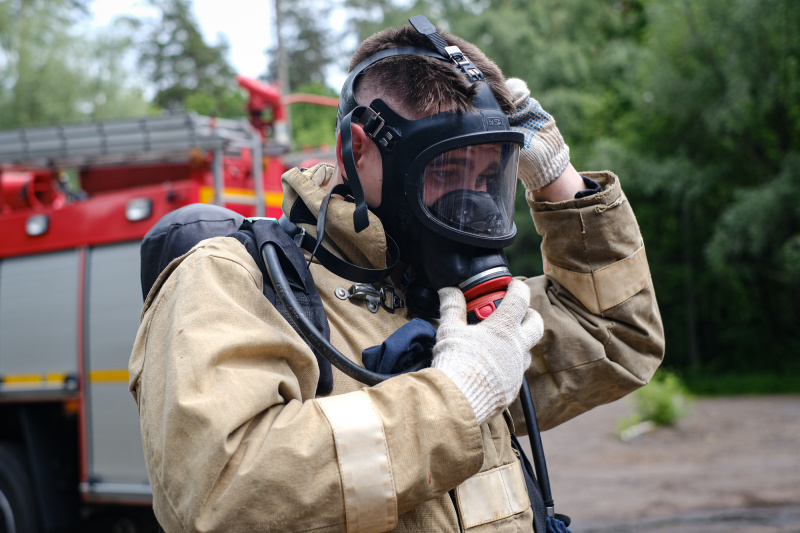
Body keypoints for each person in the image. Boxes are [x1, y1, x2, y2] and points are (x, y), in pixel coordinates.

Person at [128, 16, 664, 533]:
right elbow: (218, 495)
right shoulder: (237, 279)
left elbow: (616, 338)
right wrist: (456, 396)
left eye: (486, 175)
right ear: (359, 148)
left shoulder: (451, 301)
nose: (470, 202)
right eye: (448, 170)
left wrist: (555, 176)